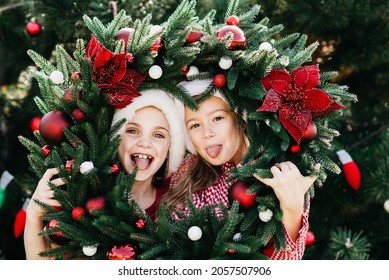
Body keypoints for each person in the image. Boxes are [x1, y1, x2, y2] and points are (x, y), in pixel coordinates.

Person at [161, 79, 320, 260]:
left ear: (240, 120)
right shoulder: (186, 172)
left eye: (217, 118)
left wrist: (293, 210)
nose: (207, 133)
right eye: (195, 125)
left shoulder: (276, 171)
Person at [24, 89, 186, 259]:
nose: (145, 143)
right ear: (116, 137)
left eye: (158, 135)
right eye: (132, 131)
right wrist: (33, 215)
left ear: (169, 148)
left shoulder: (178, 199)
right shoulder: (88, 197)